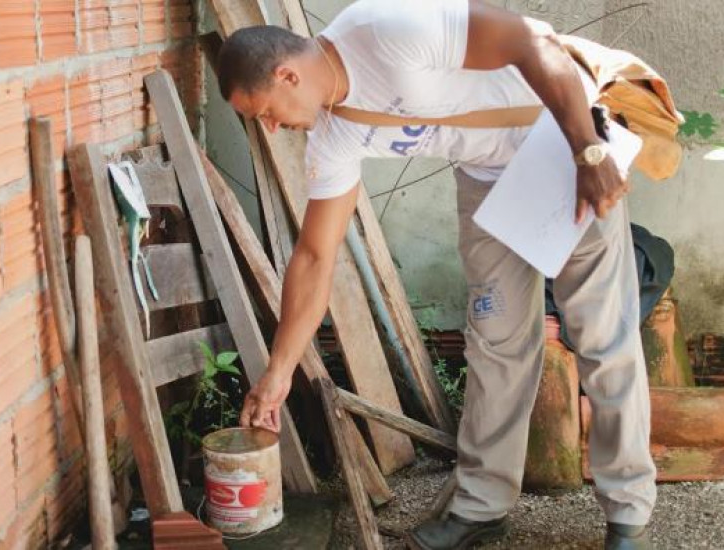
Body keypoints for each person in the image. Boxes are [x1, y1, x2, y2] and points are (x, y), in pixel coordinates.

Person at [217, 0, 656, 548]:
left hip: (559, 145)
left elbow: (532, 44)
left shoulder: (385, 30)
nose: (272, 126)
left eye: (266, 112)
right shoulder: (333, 135)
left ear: (287, 75)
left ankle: (627, 514)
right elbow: (313, 257)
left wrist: (589, 152)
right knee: (496, 344)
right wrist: (278, 372)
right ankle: (482, 507)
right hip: (486, 181)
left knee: (601, 335)